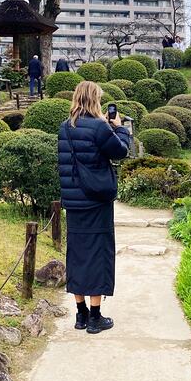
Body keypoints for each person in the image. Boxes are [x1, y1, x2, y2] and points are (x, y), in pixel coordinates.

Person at [58, 81, 131, 334]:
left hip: (74, 202)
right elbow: (120, 152)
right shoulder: (100, 127)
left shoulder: (65, 127)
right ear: (94, 100)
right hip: (97, 201)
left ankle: (80, 315)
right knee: (98, 255)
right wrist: (120, 129)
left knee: (77, 254)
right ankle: (95, 318)